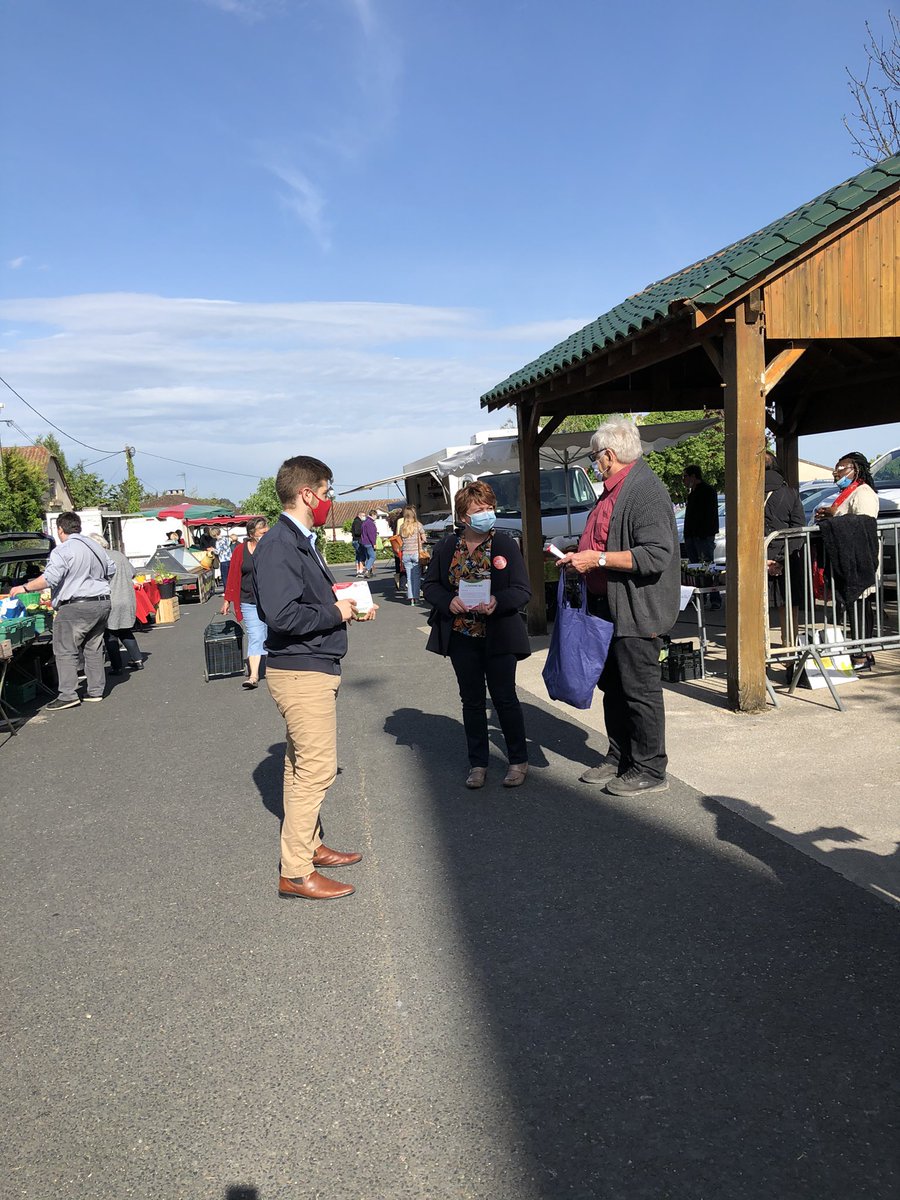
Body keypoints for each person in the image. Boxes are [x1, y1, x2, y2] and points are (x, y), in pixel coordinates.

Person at [253, 455, 377, 901]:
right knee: (317, 769)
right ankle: (296, 871)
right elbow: (283, 614)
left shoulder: (296, 540)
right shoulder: (280, 544)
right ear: (307, 493)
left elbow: (306, 601)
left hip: (308, 665)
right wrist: (336, 612)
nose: (329, 501)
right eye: (327, 493)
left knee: (297, 765)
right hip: (301, 670)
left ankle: (310, 846)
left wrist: (347, 606)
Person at [558, 417, 680, 796]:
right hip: (608, 607)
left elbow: (656, 555)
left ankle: (649, 767)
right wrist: (583, 556)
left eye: (595, 456)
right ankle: (621, 756)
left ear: (608, 455)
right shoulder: (614, 488)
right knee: (613, 686)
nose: (594, 462)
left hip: (637, 609)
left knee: (639, 691)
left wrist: (598, 560)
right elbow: (603, 539)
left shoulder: (644, 490)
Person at [422, 481, 531, 789]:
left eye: (489, 508)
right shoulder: (446, 546)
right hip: (461, 636)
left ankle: (518, 760)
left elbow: (522, 590)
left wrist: (499, 601)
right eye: (479, 510)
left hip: (499, 635)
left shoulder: (505, 544)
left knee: (504, 698)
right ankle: (478, 764)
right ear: (463, 517)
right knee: (471, 701)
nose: (487, 514)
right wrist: (448, 601)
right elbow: (430, 586)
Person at [9, 511, 115, 710]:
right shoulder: (96, 546)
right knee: (93, 647)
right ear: (78, 526)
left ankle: (68, 694)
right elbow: (111, 569)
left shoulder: (63, 550)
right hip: (102, 602)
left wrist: (23, 588)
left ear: (60, 529)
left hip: (75, 605)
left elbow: (50, 578)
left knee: (65, 649)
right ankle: (95, 690)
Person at [815, 452, 881, 670]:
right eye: (836, 468)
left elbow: (864, 525)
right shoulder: (846, 493)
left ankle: (862, 655)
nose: (837, 472)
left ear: (856, 470)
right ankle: (862, 652)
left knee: (861, 607)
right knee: (853, 606)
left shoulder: (863, 493)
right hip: (847, 561)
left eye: (842, 468)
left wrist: (835, 516)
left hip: (860, 561)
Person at [763, 454, 806, 656]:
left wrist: (763, 560)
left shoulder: (748, 492)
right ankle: (790, 652)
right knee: (789, 609)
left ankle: (759, 651)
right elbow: (799, 529)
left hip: (758, 557)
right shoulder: (791, 493)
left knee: (756, 608)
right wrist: (781, 559)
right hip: (786, 558)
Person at [221, 517, 270, 689]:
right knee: (256, 635)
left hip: (271, 600)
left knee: (272, 634)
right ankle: (254, 676)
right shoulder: (240, 550)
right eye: (261, 530)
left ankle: (278, 670)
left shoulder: (271, 548)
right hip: (248, 600)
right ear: (251, 533)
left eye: (266, 529)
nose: (265, 532)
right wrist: (227, 599)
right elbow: (233, 576)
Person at [89, 534, 143, 673]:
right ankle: (138, 659)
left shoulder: (97, 558)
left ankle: (117, 666)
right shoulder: (119, 555)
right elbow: (132, 572)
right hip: (127, 597)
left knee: (110, 634)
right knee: (125, 630)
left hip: (111, 599)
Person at [682, 463, 721, 609]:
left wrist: (705, 533)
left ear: (693, 476)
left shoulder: (707, 491)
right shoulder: (692, 493)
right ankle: (701, 597)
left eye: (685, 476)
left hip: (703, 536)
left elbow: (709, 516)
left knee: (708, 567)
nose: (684, 480)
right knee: (696, 567)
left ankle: (714, 598)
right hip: (691, 536)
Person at [398, 505, 427, 604]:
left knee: (409, 578)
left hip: (406, 555)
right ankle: (416, 597)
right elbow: (424, 539)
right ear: (414, 514)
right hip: (416, 554)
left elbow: (401, 540)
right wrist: (419, 542)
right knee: (416, 577)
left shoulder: (402, 527)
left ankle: (411, 598)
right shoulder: (418, 525)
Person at [215, 526, 235, 593]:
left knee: (225, 577)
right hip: (230, 559)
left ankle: (227, 591)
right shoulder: (226, 539)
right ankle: (233, 589)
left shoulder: (218, 542)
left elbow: (217, 551)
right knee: (231, 576)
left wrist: (212, 550)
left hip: (223, 560)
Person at [359, 509, 378, 577]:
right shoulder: (370, 523)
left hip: (363, 542)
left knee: (368, 557)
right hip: (369, 542)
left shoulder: (364, 522)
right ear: (373, 515)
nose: (376, 517)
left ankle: (369, 571)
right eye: (376, 516)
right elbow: (371, 534)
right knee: (373, 556)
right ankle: (367, 569)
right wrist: (374, 543)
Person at [350, 511, 366, 576]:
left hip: (355, 540)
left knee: (358, 555)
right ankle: (360, 570)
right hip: (357, 540)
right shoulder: (357, 522)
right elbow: (357, 532)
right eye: (363, 515)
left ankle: (358, 569)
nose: (364, 517)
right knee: (361, 555)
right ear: (360, 515)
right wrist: (363, 532)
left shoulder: (356, 521)